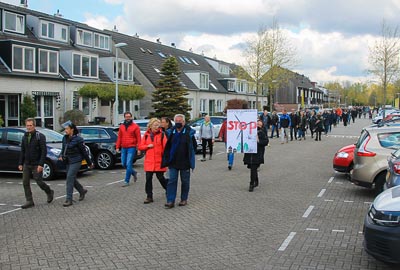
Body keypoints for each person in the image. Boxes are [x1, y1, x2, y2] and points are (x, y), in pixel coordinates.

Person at [162, 114, 196, 208]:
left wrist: (191, 158)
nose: (178, 123)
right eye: (176, 121)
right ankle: (170, 201)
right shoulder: (170, 132)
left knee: (185, 181)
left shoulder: (189, 133)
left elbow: (194, 147)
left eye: (180, 121)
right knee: (172, 181)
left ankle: (183, 199)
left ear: (184, 122)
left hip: (185, 162)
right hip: (173, 162)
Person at [18, 118, 54, 209]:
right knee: (25, 182)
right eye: (27, 126)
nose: (29, 127)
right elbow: (23, 151)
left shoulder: (40, 136)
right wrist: (20, 163)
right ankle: (29, 201)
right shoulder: (24, 136)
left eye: (30, 125)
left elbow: (43, 151)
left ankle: (49, 191)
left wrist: (41, 164)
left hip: (36, 163)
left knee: (39, 181)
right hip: (27, 163)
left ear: (34, 126)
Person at [59, 121, 94, 207]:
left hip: (76, 160)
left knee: (69, 177)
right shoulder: (65, 138)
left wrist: (89, 163)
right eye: (65, 129)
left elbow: (84, 152)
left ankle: (69, 199)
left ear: (72, 129)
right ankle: (81, 190)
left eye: (67, 129)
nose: (65, 130)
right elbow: (63, 149)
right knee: (71, 178)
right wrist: (61, 155)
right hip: (68, 160)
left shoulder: (78, 139)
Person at [138, 118, 168, 204]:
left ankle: (168, 190)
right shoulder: (146, 135)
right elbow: (140, 146)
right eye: (155, 125)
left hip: (159, 161)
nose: (156, 127)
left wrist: (166, 158)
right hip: (149, 161)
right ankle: (149, 196)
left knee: (160, 177)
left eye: (158, 125)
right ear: (150, 126)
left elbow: (166, 148)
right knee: (148, 179)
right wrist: (147, 146)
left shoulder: (162, 135)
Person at [116, 112, 142, 187]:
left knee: (128, 163)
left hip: (132, 147)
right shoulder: (122, 126)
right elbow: (119, 137)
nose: (128, 118)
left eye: (129, 117)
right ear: (124, 117)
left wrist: (139, 148)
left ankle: (126, 181)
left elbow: (138, 138)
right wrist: (117, 147)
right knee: (123, 163)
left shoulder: (135, 126)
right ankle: (133, 172)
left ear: (131, 117)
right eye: (126, 117)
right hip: (124, 147)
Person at [243, 119, 269, 192]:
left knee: (253, 168)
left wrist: (258, 141)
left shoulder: (262, 132)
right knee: (252, 167)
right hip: (249, 153)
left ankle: (251, 184)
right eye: (257, 124)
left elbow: (266, 142)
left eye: (260, 125)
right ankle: (256, 180)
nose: (258, 126)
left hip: (258, 153)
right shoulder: (249, 131)